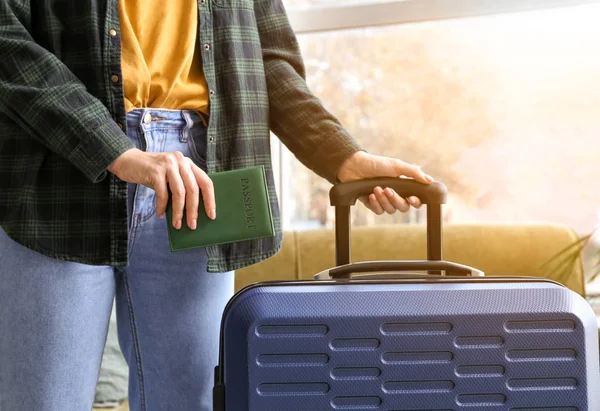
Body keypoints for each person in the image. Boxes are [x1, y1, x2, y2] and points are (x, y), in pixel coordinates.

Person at [0, 0, 434, 410]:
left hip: (198, 180)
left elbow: (266, 59)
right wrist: (114, 148)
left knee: (195, 401)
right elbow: (7, 37)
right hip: (54, 175)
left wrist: (341, 156)